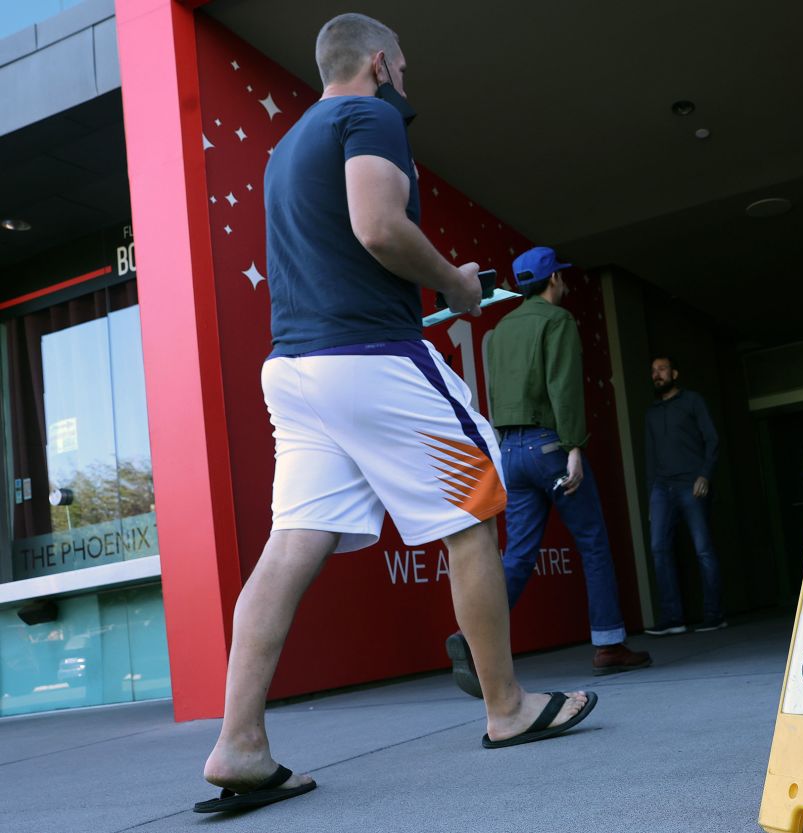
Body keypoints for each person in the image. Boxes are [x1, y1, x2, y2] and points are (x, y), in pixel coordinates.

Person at [194, 14, 595, 814]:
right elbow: (377, 227)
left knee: (288, 546)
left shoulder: (288, 147)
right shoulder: (367, 114)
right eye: (403, 66)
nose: (406, 80)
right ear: (379, 62)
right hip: (371, 362)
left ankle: (239, 743)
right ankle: (506, 707)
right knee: (477, 509)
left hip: (296, 372)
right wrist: (456, 282)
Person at [446, 247, 651, 695]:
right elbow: (563, 387)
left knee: (517, 554)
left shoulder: (499, 331)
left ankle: (472, 639)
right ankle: (610, 645)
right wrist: (575, 446)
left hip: (511, 452)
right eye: (562, 276)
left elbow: (497, 398)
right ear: (553, 280)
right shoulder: (557, 321)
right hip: (551, 447)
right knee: (593, 543)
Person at [642, 356, 726, 635]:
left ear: (675, 373)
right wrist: (651, 496)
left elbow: (712, 439)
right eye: (654, 371)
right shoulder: (651, 413)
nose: (657, 374)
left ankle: (715, 615)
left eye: (662, 369)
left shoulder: (692, 401)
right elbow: (650, 458)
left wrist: (705, 474)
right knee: (658, 549)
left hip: (691, 483)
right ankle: (673, 619)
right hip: (661, 488)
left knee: (702, 549)